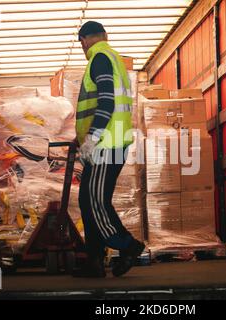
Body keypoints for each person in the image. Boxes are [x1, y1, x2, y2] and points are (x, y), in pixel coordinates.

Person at [74, 21, 145, 278]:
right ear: (104, 35)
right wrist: (81, 139)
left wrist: (91, 138)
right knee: (87, 200)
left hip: (106, 145)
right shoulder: (112, 58)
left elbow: (106, 101)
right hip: (107, 143)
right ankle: (94, 261)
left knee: (95, 202)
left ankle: (127, 246)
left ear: (83, 40)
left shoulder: (100, 58)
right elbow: (98, 105)